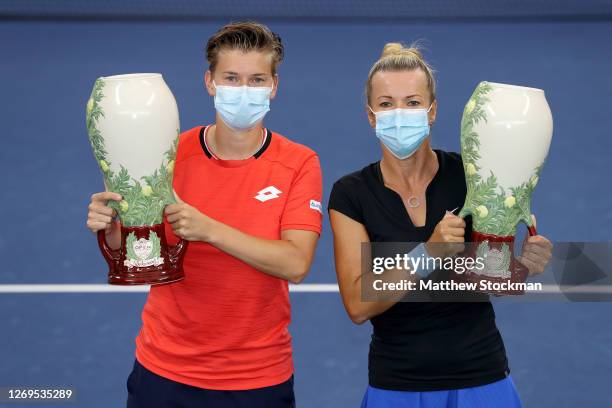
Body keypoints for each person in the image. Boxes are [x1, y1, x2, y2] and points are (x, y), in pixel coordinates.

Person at [86, 21, 323, 408]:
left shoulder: (299, 163)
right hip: (165, 372)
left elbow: (295, 263)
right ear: (210, 82)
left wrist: (209, 229)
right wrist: (114, 228)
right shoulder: (169, 154)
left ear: (273, 87)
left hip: (258, 377)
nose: (243, 90)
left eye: (256, 79)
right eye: (231, 78)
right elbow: (140, 255)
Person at [328, 42, 553, 407]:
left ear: (432, 112)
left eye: (412, 102)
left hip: (482, 379)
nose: (399, 113)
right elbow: (357, 303)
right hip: (397, 385)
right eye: (386, 104)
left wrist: (523, 265)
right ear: (371, 115)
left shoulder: (473, 177)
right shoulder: (350, 194)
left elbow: (493, 277)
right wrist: (428, 251)